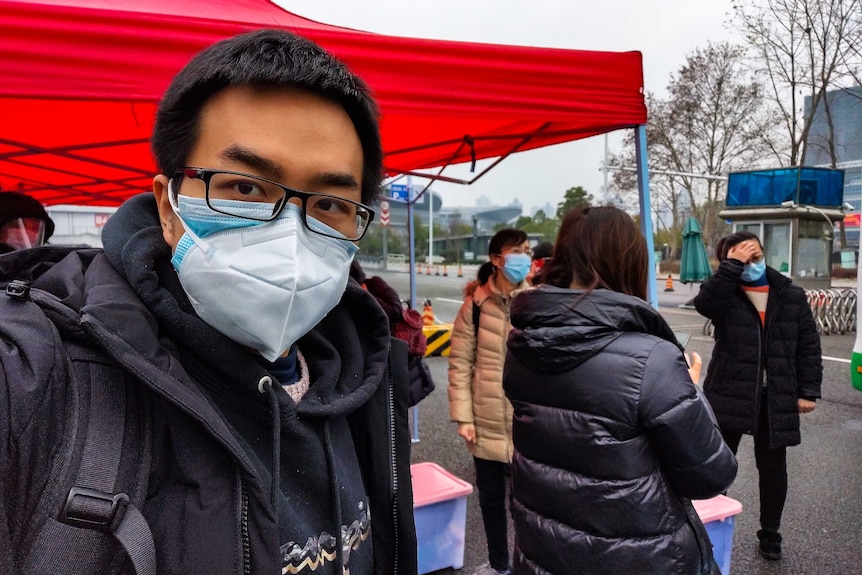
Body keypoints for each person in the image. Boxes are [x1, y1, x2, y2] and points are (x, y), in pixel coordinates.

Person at [0, 29, 417, 575]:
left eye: (331, 204)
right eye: (245, 188)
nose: (289, 236)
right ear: (169, 208)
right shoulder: (36, 375)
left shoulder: (366, 376)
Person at [503, 206, 737, 575]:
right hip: (638, 555)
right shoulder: (652, 360)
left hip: (546, 547)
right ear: (629, 261)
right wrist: (691, 391)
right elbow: (711, 475)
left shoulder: (524, 343)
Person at [694, 230, 822, 561]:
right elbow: (705, 304)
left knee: (773, 467)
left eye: (756, 257)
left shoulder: (789, 294)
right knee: (717, 463)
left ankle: (770, 532)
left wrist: (808, 391)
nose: (753, 264)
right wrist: (732, 266)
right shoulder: (726, 294)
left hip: (775, 394)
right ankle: (708, 521)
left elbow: (808, 345)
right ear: (728, 263)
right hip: (728, 391)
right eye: (742, 259)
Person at [448, 228, 532, 575]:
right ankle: (499, 565)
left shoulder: (537, 302)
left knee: (530, 506)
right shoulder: (476, 306)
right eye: (517, 252)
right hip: (484, 421)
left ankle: (530, 565)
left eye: (527, 251)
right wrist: (464, 418)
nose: (524, 258)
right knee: (492, 502)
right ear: (496, 259)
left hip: (528, 423)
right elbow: (459, 364)